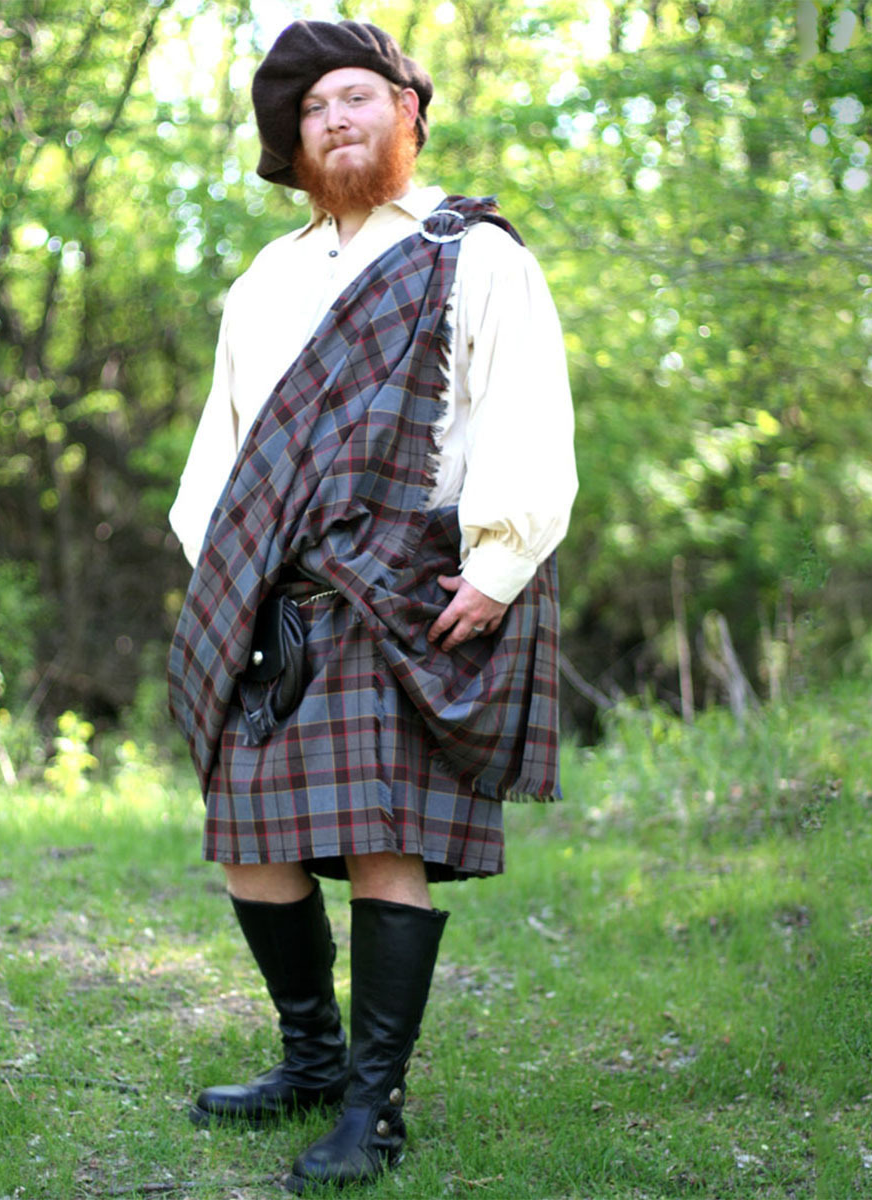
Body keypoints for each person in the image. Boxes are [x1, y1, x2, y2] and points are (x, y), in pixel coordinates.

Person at [166, 19, 576, 1193]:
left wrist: (500, 564)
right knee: (252, 840)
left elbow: (523, 409)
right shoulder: (266, 278)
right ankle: (309, 1058)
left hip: (406, 583)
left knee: (385, 838)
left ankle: (373, 1107)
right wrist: (223, 569)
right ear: (290, 143)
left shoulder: (476, 255)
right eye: (313, 108)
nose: (337, 117)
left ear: (410, 114)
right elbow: (227, 447)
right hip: (279, 593)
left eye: (358, 96)